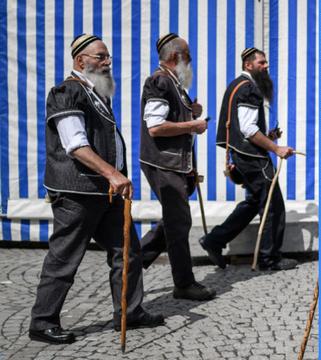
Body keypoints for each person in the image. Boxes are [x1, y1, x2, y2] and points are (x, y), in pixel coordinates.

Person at [29, 34, 163, 344]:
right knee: (65, 257)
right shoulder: (66, 92)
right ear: (80, 61)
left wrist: (114, 178)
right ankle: (42, 321)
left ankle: (129, 311)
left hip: (105, 191)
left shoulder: (97, 93)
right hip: (78, 191)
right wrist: (113, 174)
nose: (107, 63)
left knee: (128, 251)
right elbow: (76, 146)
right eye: (101, 57)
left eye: (108, 58)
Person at [199, 47, 298, 271]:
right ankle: (269, 258)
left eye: (265, 63)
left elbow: (240, 126)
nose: (265, 67)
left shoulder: (236, 85)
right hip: (252, 157)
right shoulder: (249, 88)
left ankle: (214, 240)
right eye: (261, 63)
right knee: (273, 205)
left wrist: (269, 136)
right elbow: (247, 129)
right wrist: (276, 147)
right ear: (248, 65)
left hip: (242, 154)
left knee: (254, 202)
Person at [138, 33, 215, 301]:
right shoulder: (159, 82)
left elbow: (169, 118)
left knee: (173, 220)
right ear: (174, 57)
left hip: (173, 164)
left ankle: (131, 263)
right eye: (188, 58)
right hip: (163, 163)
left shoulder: (173, 84)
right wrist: (193, 124)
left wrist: (191, 111)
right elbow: (156, 127)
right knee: (179, 221)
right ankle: (183, 283)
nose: (191, 63)